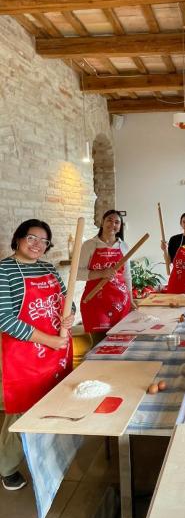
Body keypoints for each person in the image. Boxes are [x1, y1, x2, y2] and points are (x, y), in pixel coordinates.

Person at [0, 219, 74, 491]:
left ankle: (48, 458)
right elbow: (4, 319)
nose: (37, 245)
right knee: (22, 412)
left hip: (56, 351)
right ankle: (7, 467)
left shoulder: (48, 268)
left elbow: (68, 301)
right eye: (32, 238)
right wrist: (50, 341)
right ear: (18, 238)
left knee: (53, 405)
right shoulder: (4, 271)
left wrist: (70, 317)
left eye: (44, 241)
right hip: (25, 356)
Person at [78, 210, 134, 336]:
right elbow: (77, 273)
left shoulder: (123, 246)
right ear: (102, 222)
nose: (113, 224)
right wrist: (102, 273)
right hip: (95, 302)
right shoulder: (89, 245)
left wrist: (131, 299)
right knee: (99, 346)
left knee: (121, 341)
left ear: (120, 227)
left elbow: (127, 276)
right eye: (109, 220)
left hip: (120, 302)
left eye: (117, 222)